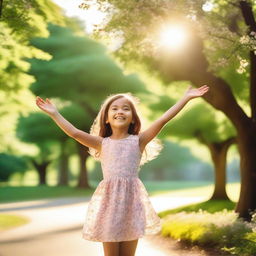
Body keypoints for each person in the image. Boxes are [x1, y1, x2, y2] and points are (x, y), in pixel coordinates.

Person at [35, 84, 209, 256]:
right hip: (109, 205)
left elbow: (163, 119)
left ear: (133, 118)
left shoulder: (138, 141)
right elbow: (74, 133)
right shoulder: (102, 143)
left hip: (132, 205)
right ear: (106, 118)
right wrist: (55, 113)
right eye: (115, 108)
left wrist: (185, 98)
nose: (120, 111)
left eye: (126, 109)